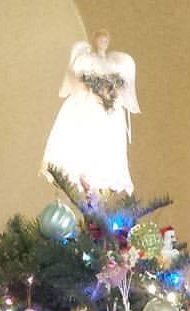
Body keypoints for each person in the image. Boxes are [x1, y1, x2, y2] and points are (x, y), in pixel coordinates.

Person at [41, 29, 139, 193]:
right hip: (89, 105)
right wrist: (96, 87)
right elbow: (80, 76)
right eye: (100, 40)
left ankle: (97, 181)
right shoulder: (87, 60)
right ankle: (83, 176)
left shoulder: (113, 64)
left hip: (107, 110)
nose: (103, 43)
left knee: (105, 144)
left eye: (105, 41)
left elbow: (118, 84)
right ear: (95, 41)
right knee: (83, 142)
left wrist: (110, 91)